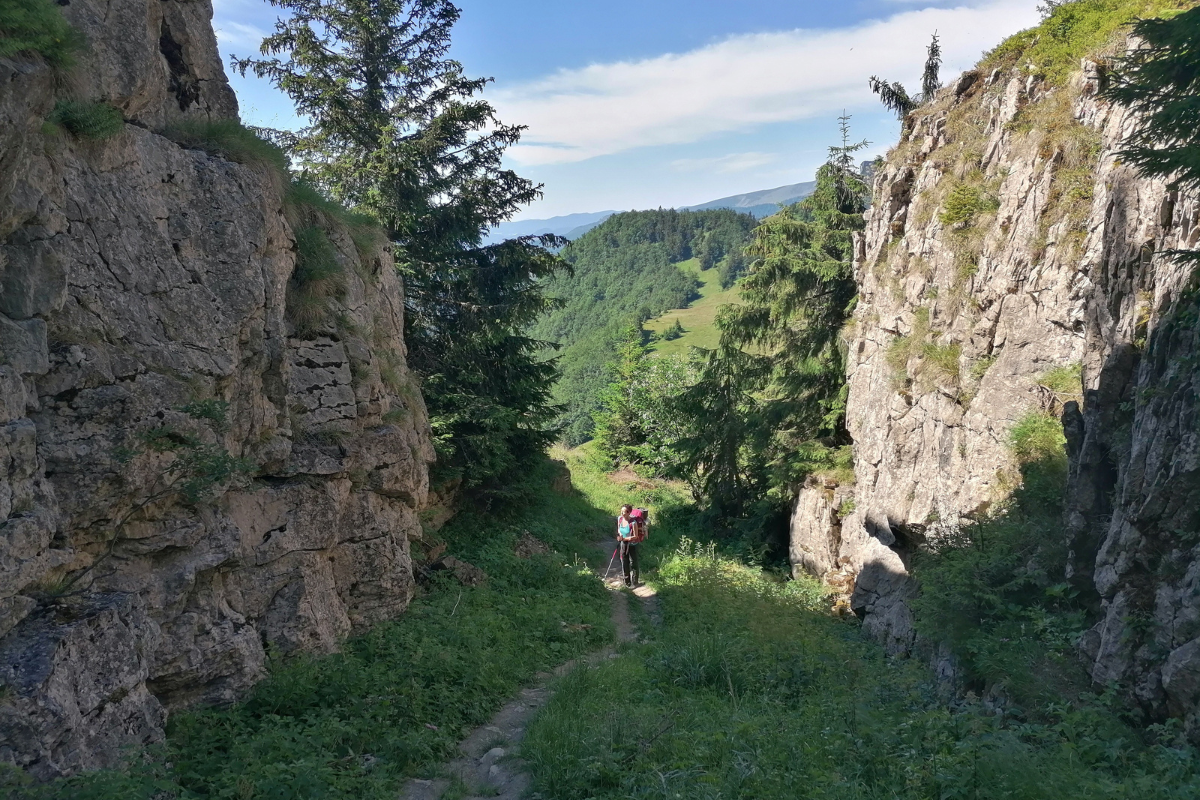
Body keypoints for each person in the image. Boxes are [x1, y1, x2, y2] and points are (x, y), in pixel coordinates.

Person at [616, 504, 640, 588]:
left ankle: (635, 582)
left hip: (632, 545)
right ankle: (627, 582)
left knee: (633, 562)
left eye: (625, 512)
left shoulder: (633, 523)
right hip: (624, 544)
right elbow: (619, 529)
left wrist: (624, 538)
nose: (622, 513)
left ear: (629, 512)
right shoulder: (620, 519)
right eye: (621, 511)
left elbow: (635, 536)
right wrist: (620, 536)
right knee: (624, 562)